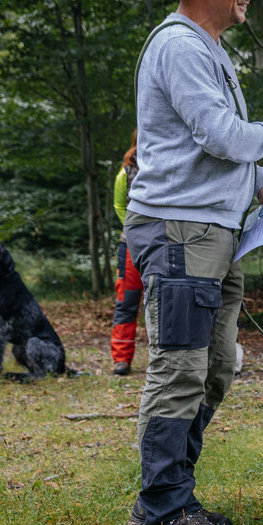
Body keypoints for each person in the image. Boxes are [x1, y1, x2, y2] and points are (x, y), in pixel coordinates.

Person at [123, 0, 263, 525]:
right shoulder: (181, 46)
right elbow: (222, 136)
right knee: (180, 369)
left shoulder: (208, 48)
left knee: (218, 365)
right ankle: (164, 509)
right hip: (180, 231)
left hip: (211, 230)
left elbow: (220, 151)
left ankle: (174, 492)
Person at [110, 133, 141, 377]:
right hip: (130, 245)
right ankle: (121, 358)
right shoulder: (126, 172)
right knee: (127, 301)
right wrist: (133, 229)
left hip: (164, 242)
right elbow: (119, 205)